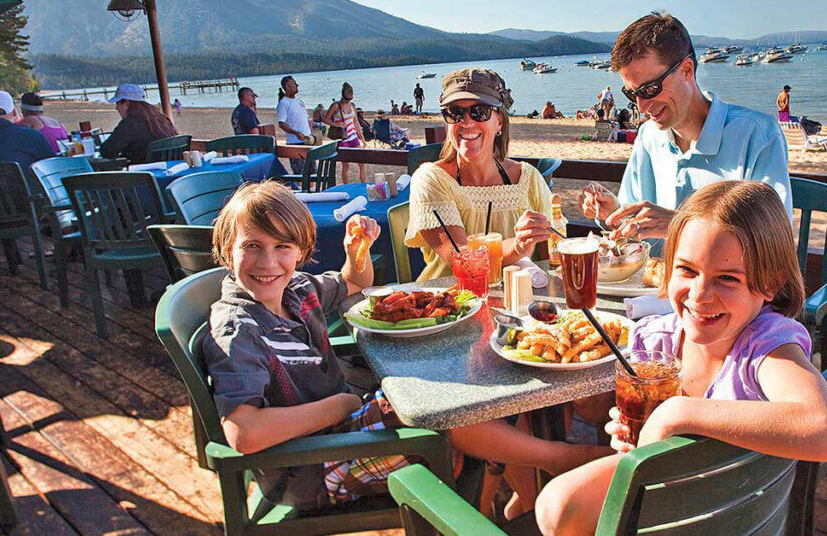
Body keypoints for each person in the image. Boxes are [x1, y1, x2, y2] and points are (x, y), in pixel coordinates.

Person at [202, 180, 606, 511]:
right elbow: (245, 435)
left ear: (302, 252)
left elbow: (355, 282)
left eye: (281, 248)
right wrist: (338, 405)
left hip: (341, 427)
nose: (267, 263)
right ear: (225, 250)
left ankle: (528, 495)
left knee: (479, 398)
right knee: (443, 412)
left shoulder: (298, 291)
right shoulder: (237, 327)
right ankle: (563, 460)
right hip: (311, 466)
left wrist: (355, 251)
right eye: (251, 246)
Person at [535, 180, 827, 536]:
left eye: (727, 278)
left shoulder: (767, 346)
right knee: (555, 507)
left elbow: (823, 430)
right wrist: (628, 433)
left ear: (770, 283)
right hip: (671, 502)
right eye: (687, 270)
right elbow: (622, 434)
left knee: (557, 506)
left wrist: (677, 413)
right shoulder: (655, 342)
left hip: (728, 513)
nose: (700, 295)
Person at [579, 12, 792, 251]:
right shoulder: (649, 136)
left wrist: (678, 223)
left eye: (650, 88)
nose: (641, 106)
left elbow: (775, 240)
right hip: (653, 286)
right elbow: (635, 232)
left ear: (686, 70)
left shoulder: (757, 135)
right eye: (632, 94)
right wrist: (616, 213)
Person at [405, 68, 554, 282]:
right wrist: (518, 245)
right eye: (455, 112)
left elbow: (553, 253)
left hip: (522, 306)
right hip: (450, 308)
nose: (466, 122)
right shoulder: (431, 179)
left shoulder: (528, 178)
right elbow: (462, 258)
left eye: (480, 111)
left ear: (499, 122)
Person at [100, 83, 177, 165]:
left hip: (142, 172)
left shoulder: (129, 124)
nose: (116, 108)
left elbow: (107, 151)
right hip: (170, 168)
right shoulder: (161, 119)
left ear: (126, 103)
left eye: (117, 104)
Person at [323, 83, 367, 184]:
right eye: (347, 99)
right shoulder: (335, 106)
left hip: (353, 137)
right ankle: (346, 186)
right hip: (343, 138)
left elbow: (356, 122)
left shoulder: (352, 105)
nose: (348, 101)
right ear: (343, 96)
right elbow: (325, 119)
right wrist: (336, 124)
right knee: (346, 165)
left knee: (361, 162)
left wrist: (362, 137)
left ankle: (363, 184)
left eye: (350, 99)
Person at [276, 75, 313, 175]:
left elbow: (305, 120)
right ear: (287, 87)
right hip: (295, 143)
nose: (297, 85)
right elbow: (282, 123)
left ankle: (312, 190)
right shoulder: (283, 103)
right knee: (300, 173)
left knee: (312, 172)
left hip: (307, 141)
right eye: (294, 84)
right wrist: (295, 132)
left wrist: (313, 131)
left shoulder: (300, 102)